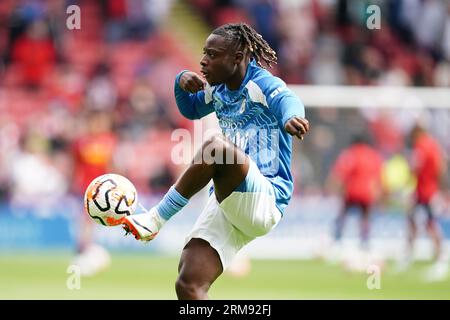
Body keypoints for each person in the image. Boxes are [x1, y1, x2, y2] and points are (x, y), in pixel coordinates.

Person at [121, 22, 309, 299]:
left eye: (213, 54)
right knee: (188, 284)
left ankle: (156, 218)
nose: (203, 60)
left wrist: (291, 117)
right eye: (204, 53)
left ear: (238, 57)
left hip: (266, 197)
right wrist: (180, 81)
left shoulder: (263, 83)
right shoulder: (218, 89)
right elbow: (191, 109)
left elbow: (287, 100)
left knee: (217, 147)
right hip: (227, 201)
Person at [71, 110, 117, 276]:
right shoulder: (81, 142)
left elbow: (112, 165)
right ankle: (83, 249)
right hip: (86, 187)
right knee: (86, 220)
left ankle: (87, 249)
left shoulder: (109, 141)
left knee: (93, 221)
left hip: (104, 188)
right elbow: (75, 165)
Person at [400, 123, 448, 279]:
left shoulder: (422, 145)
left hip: (426, 192)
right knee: (413, 220)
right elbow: (440, 167)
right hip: (425, 191)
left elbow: (415, 167)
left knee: (430, 223)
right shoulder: (433, 144)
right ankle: (408, 255)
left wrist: (408, 180)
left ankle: (440, 258)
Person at [326, 135, 384, 253]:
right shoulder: (373, 155)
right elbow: (379, 177)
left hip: (352, 192)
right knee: (365, 218)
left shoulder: (350, 154)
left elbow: (340, 173)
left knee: (343, 215)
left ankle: (337, 240)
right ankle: (364, 243)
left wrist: (332, 187)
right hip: (367, 193)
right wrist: (379, 194)